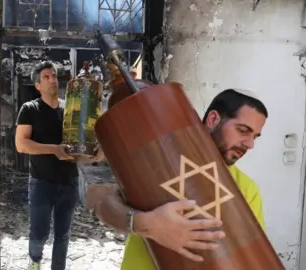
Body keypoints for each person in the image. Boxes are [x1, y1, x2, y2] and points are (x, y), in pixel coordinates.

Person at [93, 88, 268, 269]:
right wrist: (146, 224)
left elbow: (251, 258)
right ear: (213, 119)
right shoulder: (164, 158)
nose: (250, 144)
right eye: (243, 130)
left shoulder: (247, 189)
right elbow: (104, 206)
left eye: (255, 136)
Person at [15, 61, 104, 270]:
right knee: (40, 232)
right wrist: (55, 149)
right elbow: (21, 144)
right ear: (37, 85)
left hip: (69, 181)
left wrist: (95, 152)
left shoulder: (71, 109)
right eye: (46, 77)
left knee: (63, 234)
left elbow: (84, 139)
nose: (52, 80)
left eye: (53, 76)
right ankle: (35, 261)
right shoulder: (30, 109)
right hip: (41, 182)